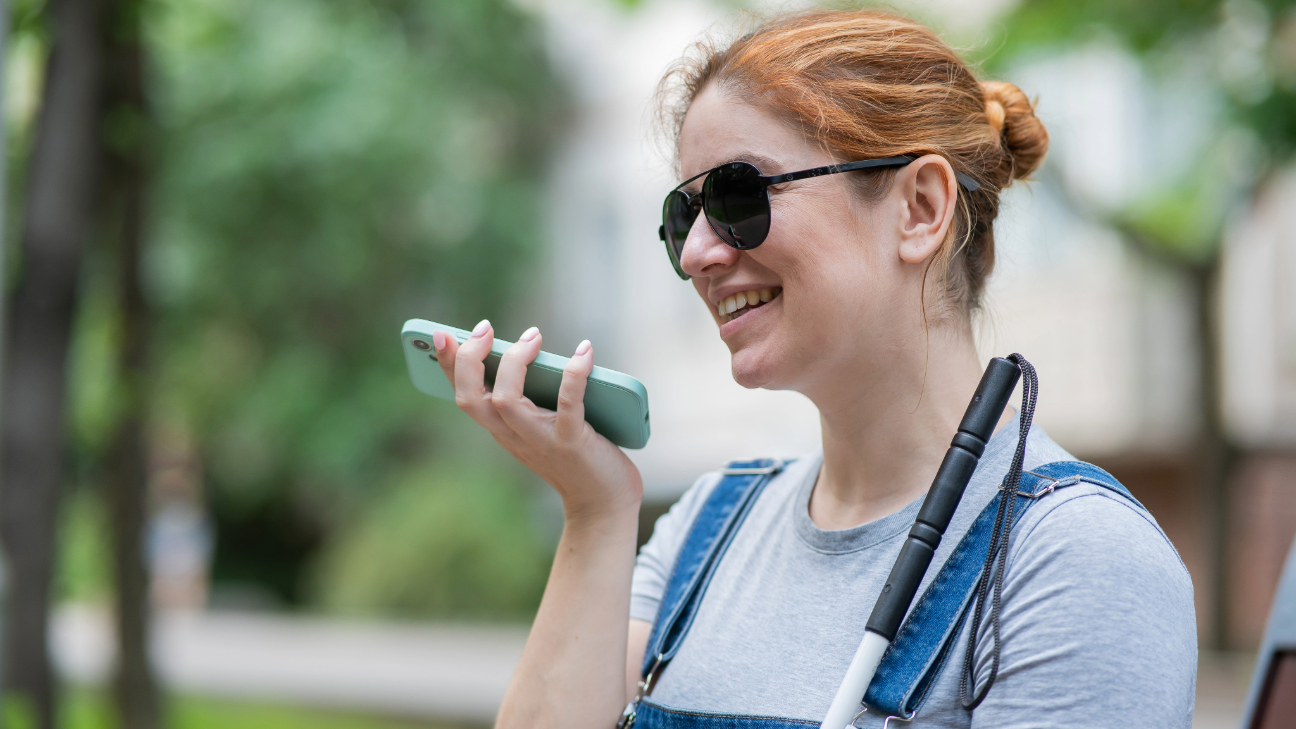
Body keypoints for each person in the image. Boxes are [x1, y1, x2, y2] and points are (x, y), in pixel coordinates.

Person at [429, 9, 1197, 729]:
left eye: (738, 194)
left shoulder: (1077, 564)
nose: (698, 253)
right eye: (682, 218)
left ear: (920, 208)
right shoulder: (708, 527)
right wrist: (596, 512)